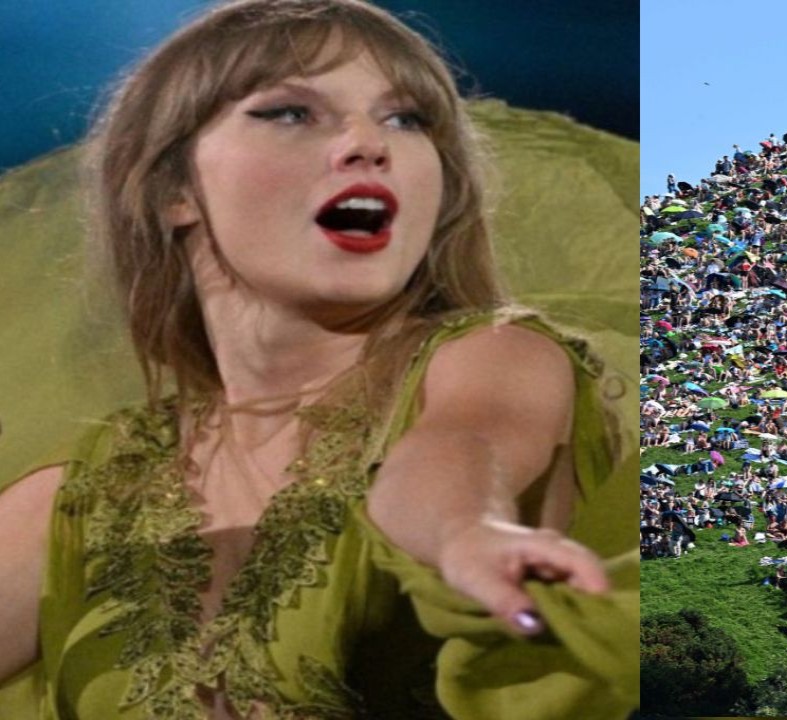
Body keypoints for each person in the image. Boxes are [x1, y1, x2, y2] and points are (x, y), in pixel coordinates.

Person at [0, 2, 636, 719]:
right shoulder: (90, 491)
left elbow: (457, 452)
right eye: (290, 113)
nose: (369, 143)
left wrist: (468, 533)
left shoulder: (491, 358)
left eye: (407, 119)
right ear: (174, 188)